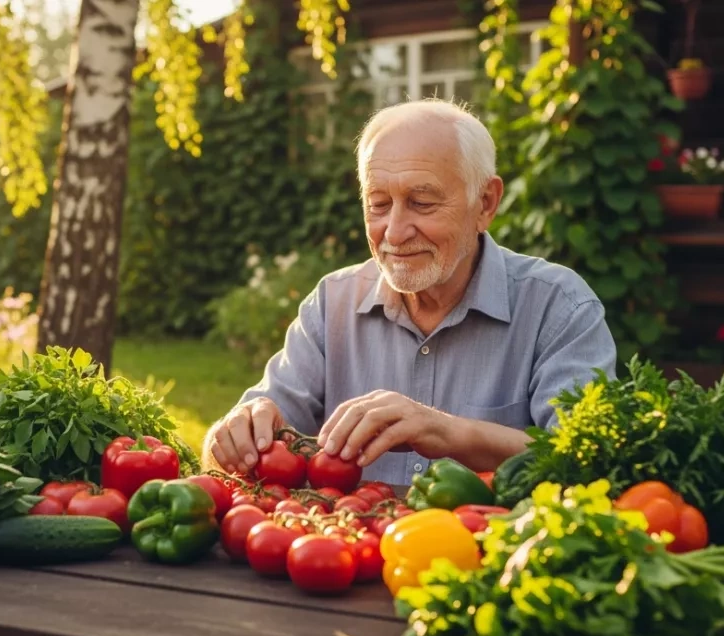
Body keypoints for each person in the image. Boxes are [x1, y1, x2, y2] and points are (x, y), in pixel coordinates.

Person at [204, 99, 617, 486]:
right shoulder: (332, 304)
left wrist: (449, 433)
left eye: (422, 203)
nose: (395, 233)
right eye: (378, 204)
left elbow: (590, 462)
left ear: (486, 203)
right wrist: (236, 434)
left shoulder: (557, 305)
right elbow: (227, 453)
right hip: (351, 554)